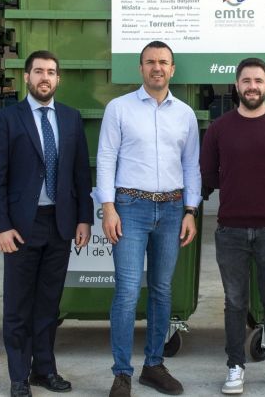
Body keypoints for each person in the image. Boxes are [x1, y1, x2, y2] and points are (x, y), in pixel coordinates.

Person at [97, 40, 200, 397]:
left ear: (172, 69)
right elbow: (106, 158)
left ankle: (153, 366)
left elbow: (191, 165)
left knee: (161, 289)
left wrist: (191, 210)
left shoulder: (185, 114)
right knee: (127, 291)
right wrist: (108, 207)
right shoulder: (119, 108)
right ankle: (122, 373)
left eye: (163, 62)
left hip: (172, 210)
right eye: (151, 62)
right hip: (129, 207)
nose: (157, 67)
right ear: (141, 68)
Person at [0, 50, 93, 397]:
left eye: (50, 72)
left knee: (48, 304)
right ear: (26, 77)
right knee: (18, 306)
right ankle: (19, 376)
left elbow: (80, 173)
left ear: (58, 79)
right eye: (38, 71)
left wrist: (83, 218)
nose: (44, 78)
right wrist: (1, 226)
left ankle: (44, 369)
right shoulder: (7, 119)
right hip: (21, 227)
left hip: (60, 224)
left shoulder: (70, 118)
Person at [200, 57, 265, 396]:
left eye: (258, 80)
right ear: (237, 85)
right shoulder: (219, 129)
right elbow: (209, 173)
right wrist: (239, 188)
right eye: (246, 80)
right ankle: (235, 366)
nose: (252, 86)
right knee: (234, 302)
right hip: (231, 229)